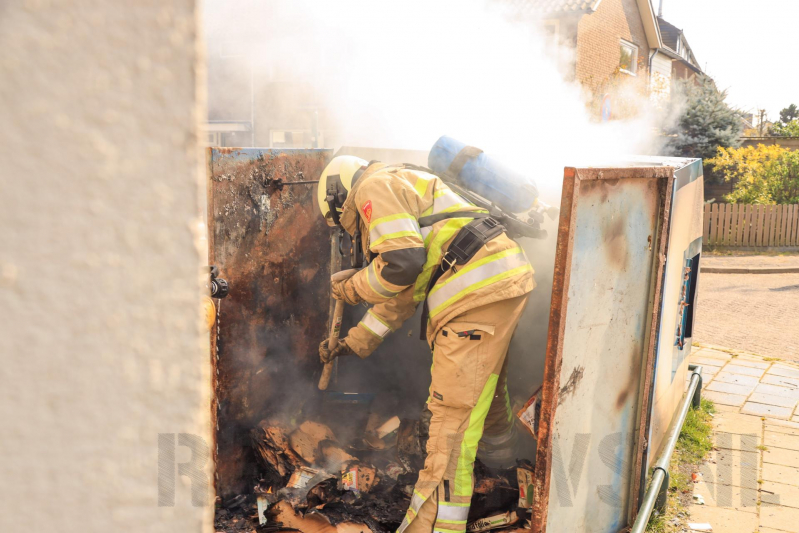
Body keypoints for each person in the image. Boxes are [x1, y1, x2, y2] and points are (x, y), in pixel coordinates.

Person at [316, 155, 535, 533]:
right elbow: (401, 294)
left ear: (339, 198)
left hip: (474, 296)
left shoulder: (373, 186)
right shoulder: (405, 183)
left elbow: (402, 264)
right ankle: (504, 470)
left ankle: (433, 528)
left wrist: (352, 287)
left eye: (345, 224)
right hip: (498, 284)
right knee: (487, 392)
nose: (353, 232)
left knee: (449, 431)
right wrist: (351, 343)